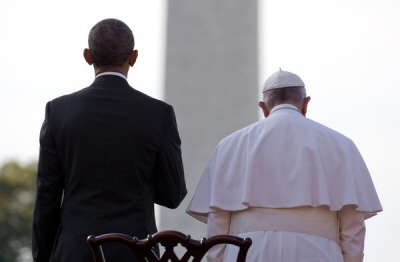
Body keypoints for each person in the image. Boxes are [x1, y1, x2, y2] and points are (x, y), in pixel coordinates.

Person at [32, 18, 187, 262]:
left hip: (74, 251)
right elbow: (173, 195)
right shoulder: (159, 114)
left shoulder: (58, 111)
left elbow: (46, 200)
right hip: (137, 251)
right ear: (133, 57)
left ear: (87, 56)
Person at [186, 70, 382, 262]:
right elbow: (352, 223)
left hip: (248, 249)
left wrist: (216, 259)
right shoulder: (341, 144)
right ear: (305, 104)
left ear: (263, 107)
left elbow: (218, 219)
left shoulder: (230, 145)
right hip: (318, 250)